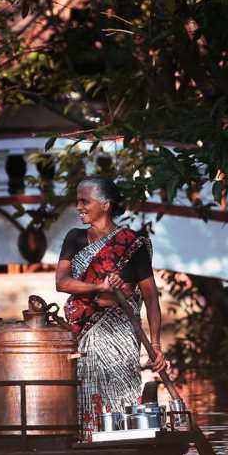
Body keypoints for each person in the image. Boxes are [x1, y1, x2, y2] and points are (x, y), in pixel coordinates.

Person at [55, 177, 167, 438]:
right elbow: (62, 283)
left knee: (122, 393)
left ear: (105, 205)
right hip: (84, 332)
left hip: (122, 334)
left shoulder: (133, 243)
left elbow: (151, 297)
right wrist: (100, 287)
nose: (79, 207)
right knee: (85, 391)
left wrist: (157, 345)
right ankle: (89, 440)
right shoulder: (75, 238)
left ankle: (123, 441)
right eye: (78, 201)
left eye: (85, 201)